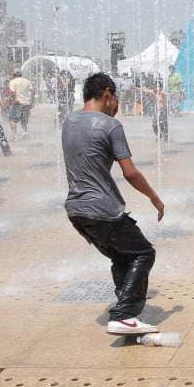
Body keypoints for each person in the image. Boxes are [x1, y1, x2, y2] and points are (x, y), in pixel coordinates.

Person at [63, 73, 165, 335]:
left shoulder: (69, 121)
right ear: (107, 94)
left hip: (76, 210)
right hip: (103, 209)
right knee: (143, 253)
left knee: (121, 255)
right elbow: (129, 172)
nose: (118, 104)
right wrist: (154, 198)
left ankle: (126, 309)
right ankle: (124, 315)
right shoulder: (110, 125)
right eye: (116, 98)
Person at [7, 69, 34, 138]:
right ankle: (25, 133)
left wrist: (12, 100)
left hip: (18, 103)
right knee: (24, 120)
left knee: (11, 119)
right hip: (26, 103)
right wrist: (32, 102)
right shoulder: (27, 81)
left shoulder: (13, 82)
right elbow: (33, 92)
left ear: (14, 75)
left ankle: (14, 135)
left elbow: (12, 93)